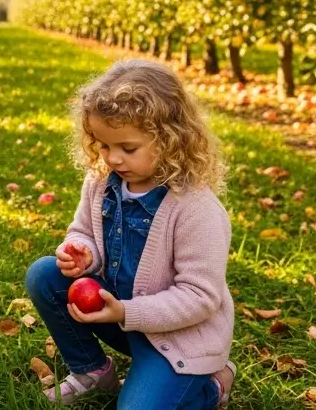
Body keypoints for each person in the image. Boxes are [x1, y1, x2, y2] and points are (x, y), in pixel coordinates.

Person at [24, 59, 236, 407]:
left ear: (170, 139)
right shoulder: (101, 183)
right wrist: (81, 250)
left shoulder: (196, 208)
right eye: (104, 146)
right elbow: (83, 230)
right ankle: (92, 372)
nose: (113, 159)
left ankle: (213, 386)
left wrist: (125, 311)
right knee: (45, 274)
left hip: (180, 338)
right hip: (121, 317)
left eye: (128, 148)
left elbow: (200, 297)